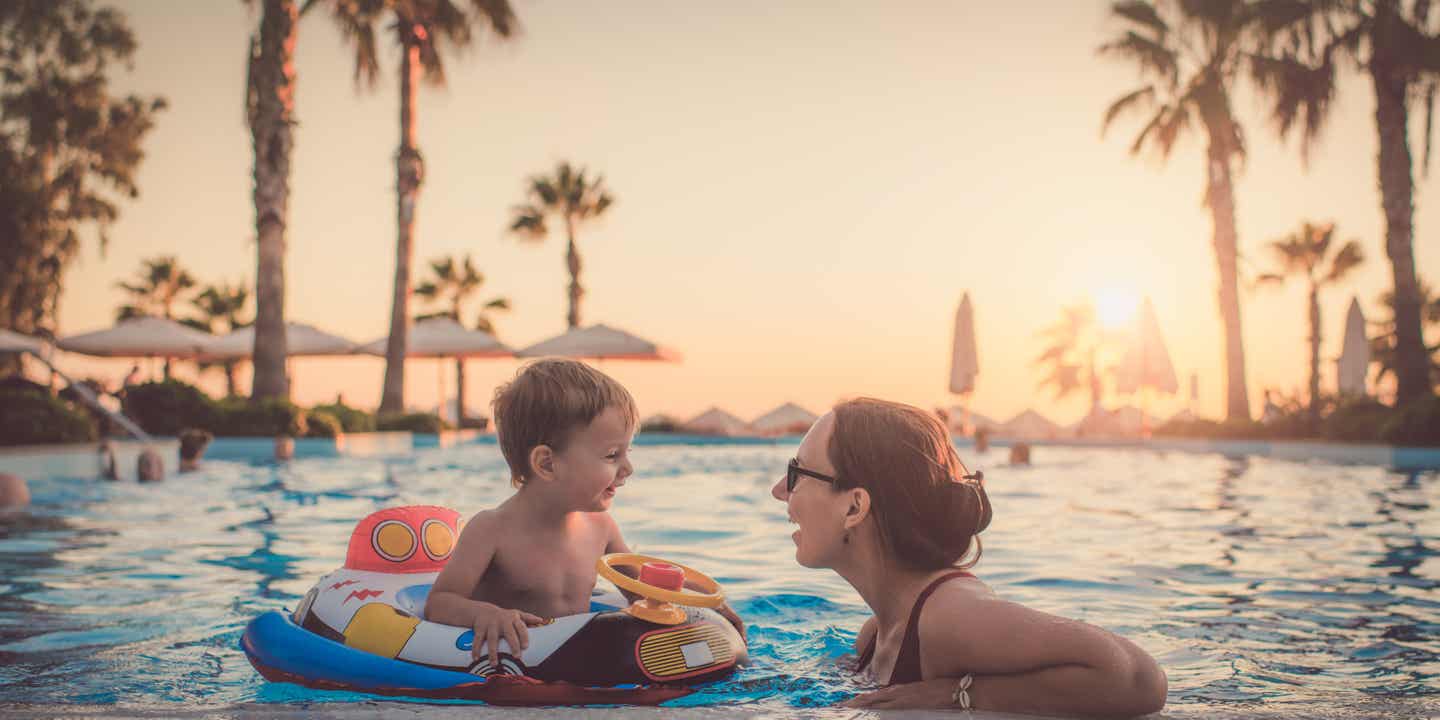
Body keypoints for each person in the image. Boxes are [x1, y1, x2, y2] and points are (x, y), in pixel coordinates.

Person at [772, 398, 1166, 716]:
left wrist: (959, 694)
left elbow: (1137, 678)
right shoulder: (874, 636)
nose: (779, 490)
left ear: (854, 507)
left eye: (798, 474)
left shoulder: (948, 616)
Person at [425, 359, 744, 669]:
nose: (628, 469)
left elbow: (641, 593)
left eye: (627, 452)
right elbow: (440, 602)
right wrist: (485, 614)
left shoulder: (601, 527)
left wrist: (703, 605)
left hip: (580, 664)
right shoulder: (491, 530)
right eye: (611, 455)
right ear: (547, 464)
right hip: (520, 670)